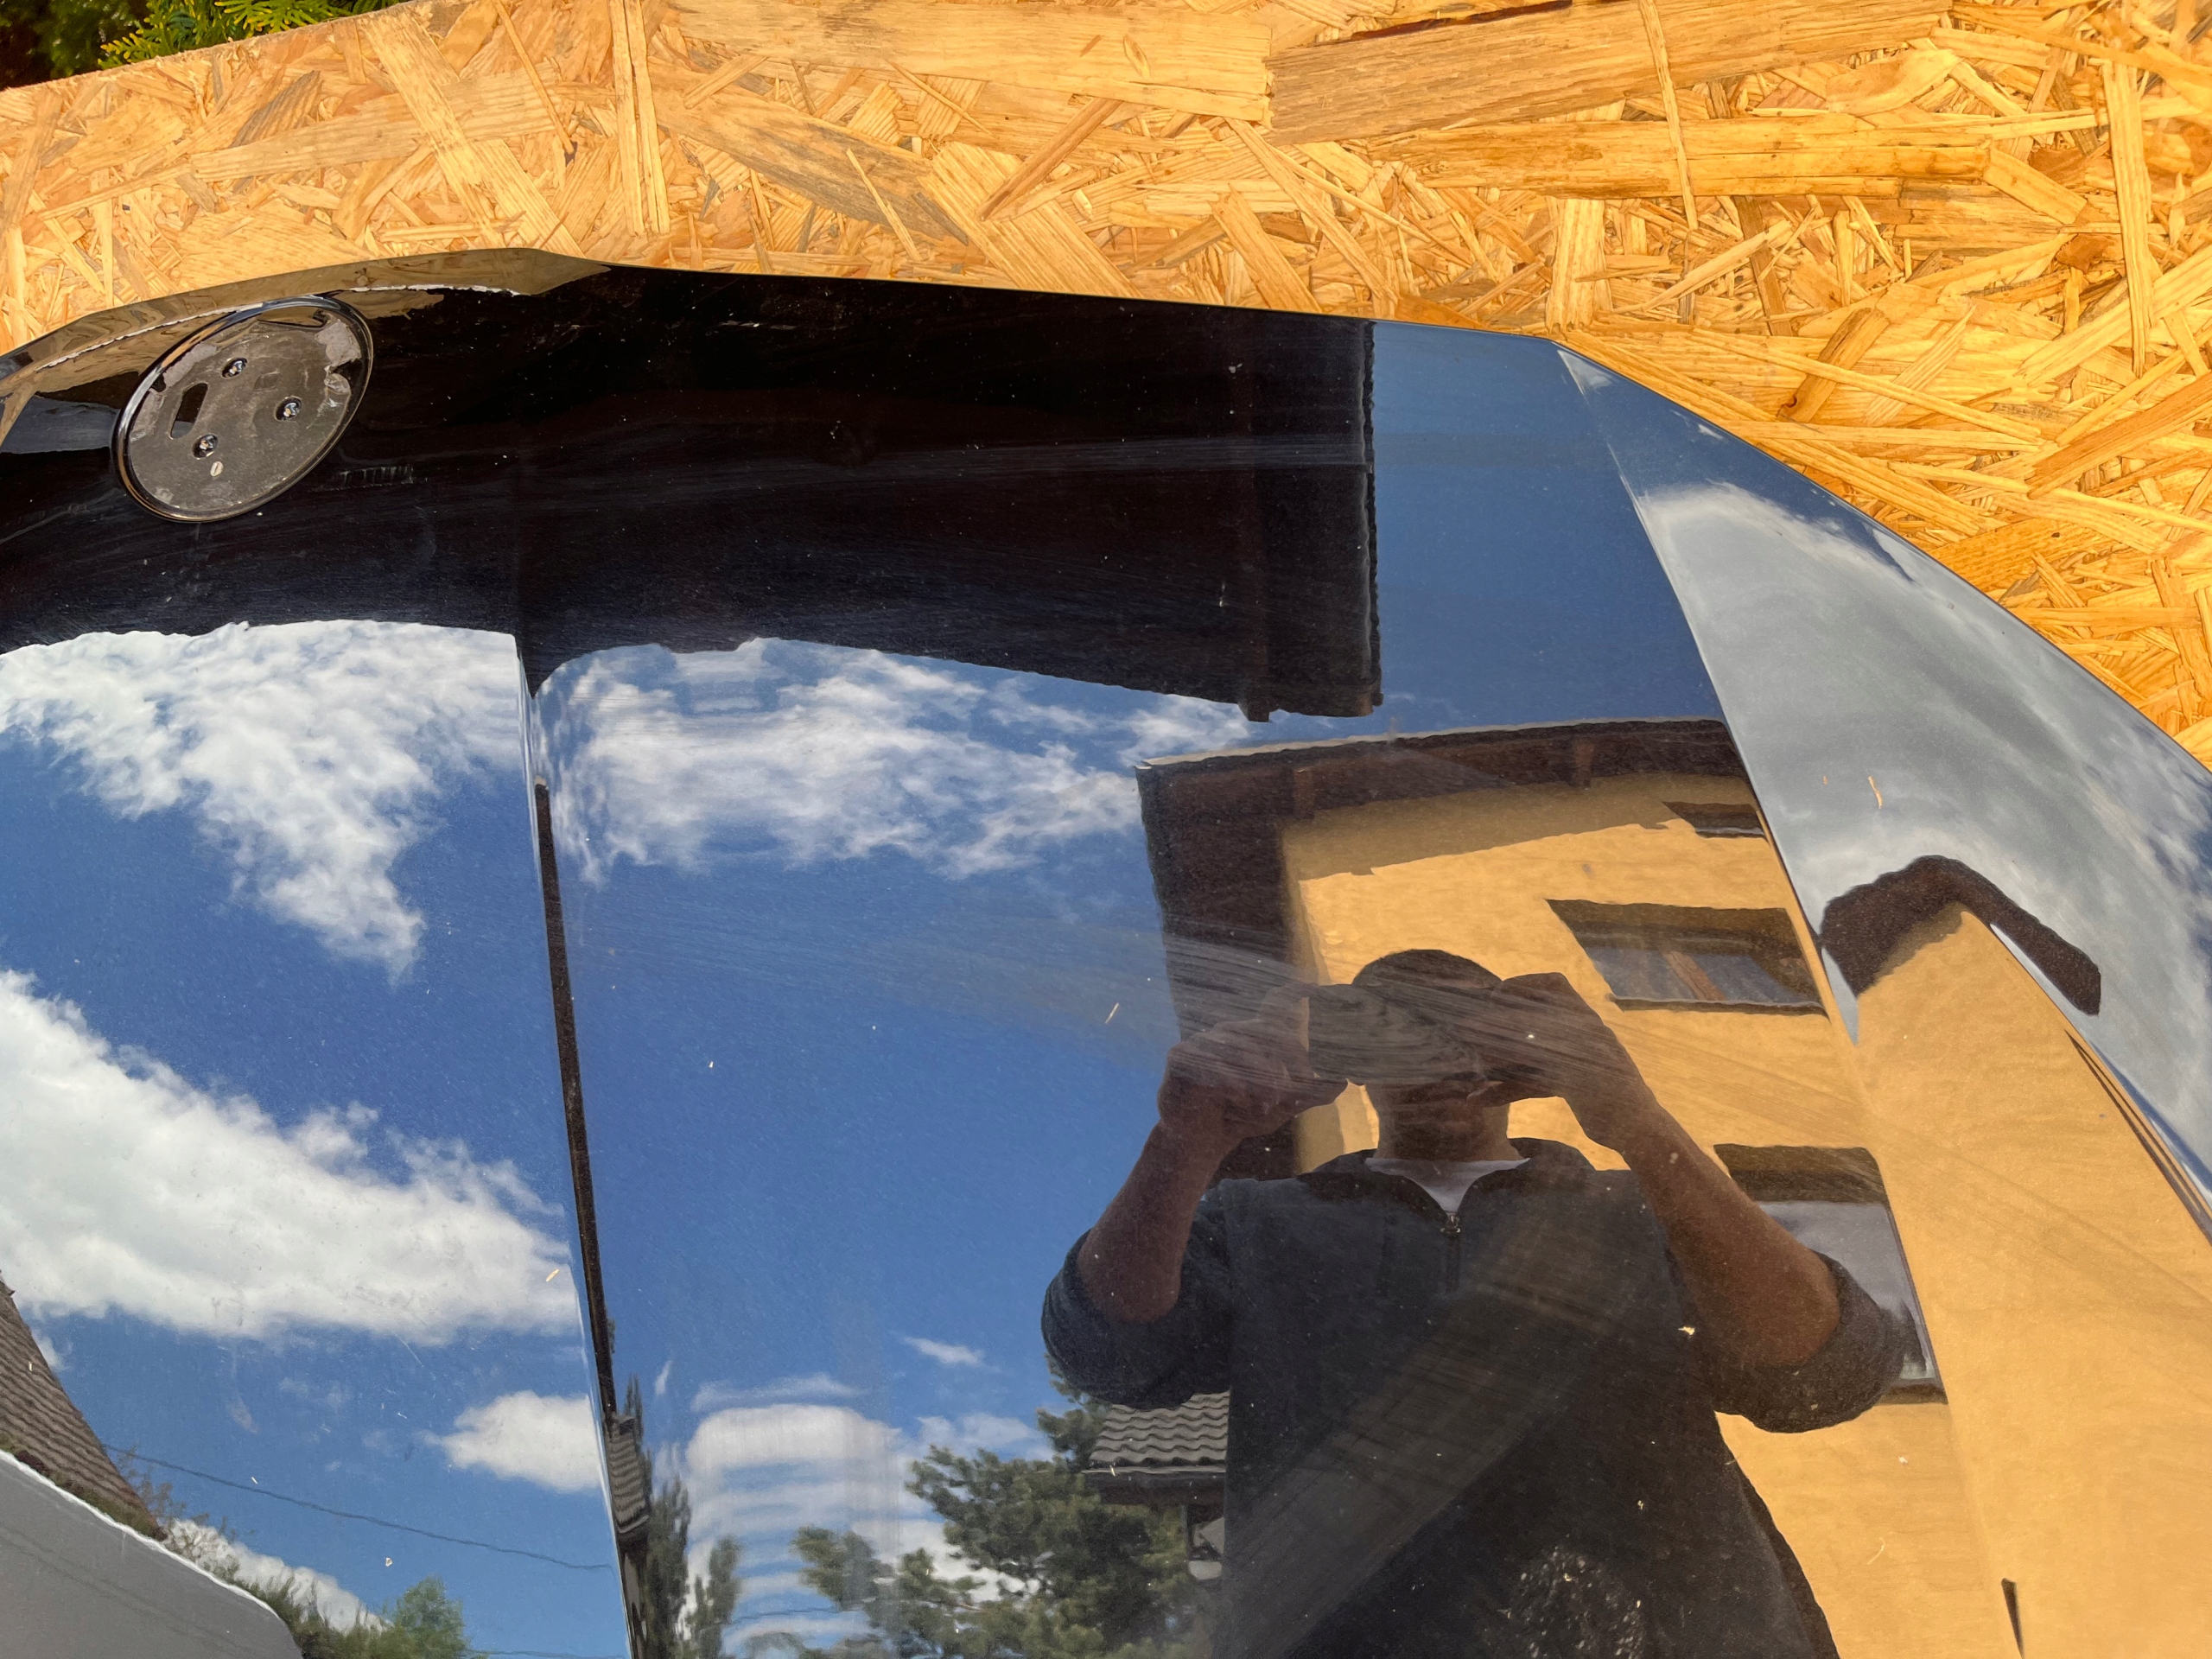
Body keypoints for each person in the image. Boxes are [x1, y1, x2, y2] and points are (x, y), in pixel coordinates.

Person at [1043, 949, 1905, 1659]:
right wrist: (1188, 1138)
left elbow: (1824, 1371)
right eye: (1389, 1026)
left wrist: (1635, 1119)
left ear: (1520, 1045)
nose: (1429, 1049)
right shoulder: (1256, 1219)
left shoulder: (1642, 1206)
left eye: (1461, 1020)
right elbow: (1106, 1349)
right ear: (1348, 1060)